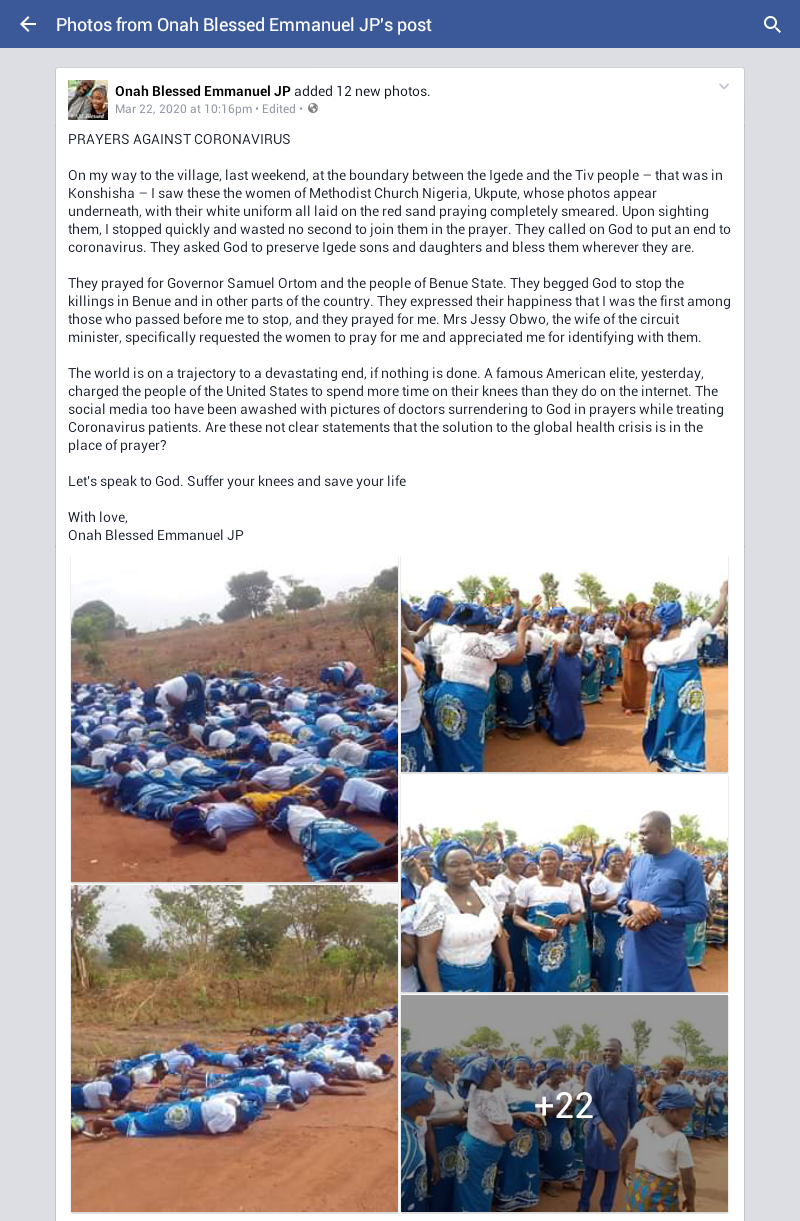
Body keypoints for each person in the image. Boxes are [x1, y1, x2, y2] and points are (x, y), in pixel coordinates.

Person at [431, 606, 530, 772]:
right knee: (469, 749)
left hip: (444, 695)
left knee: (450, 746)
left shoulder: (451, 639)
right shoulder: (483, 641)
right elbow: (518, 657)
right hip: (467, 698)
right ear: (485, 627)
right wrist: (521, 631)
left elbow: (439, 671)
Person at [642, 582, 728, 772]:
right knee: (690, 726)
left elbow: (650, 678)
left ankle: (665, 764)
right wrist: (723, 593)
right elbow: (717, 615)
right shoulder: (692, 634)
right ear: (679, 618)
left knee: (666, 724)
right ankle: (690, 766)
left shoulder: (652, 648)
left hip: (666, 693)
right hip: (690, 692)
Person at [618, 812, 707, 992]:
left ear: (662, 833)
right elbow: (621, 898)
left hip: (666, 952)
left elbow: (699, 911)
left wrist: (658, 913)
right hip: (635, 949)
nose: (640, 838)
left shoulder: (689, 865)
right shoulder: (637, 863)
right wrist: (632, 905)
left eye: (644, 833)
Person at [414, 842, 513, 992]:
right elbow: (426, 953)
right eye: (454, 865)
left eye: (468, 863)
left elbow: (500, 934)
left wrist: (508, 969)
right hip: (451, 980)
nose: (463, 869)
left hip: (486, 975)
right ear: (442, 869)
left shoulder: (486, 895)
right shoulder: (435, 901)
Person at [513, 844, 586, 992]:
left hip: (561, 943)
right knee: (538, 979)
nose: (547, 862)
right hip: (536, 942)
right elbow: (516, 917)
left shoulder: (569, 888)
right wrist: (533, 928)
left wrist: (568, 916)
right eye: (543, 859)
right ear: (538, 862)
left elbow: (579, 917)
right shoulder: (527, 884)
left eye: (552, 858)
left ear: (559, 860)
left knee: (561, 978)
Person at [578, 1039, 639, 1212]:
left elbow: (633, 1105)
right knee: (590, 1174)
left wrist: (636, 1131)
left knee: (612, 1174)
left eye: (612, 1050)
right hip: (596, 1132)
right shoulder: (594, 1073)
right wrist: (602, 1127)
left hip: (619, 1133)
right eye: (605, 1050)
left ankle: (606, 1209)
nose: (608, 1053)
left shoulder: (629, 1075)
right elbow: (589, 1101)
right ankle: (583, 1207)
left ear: (621, 1052)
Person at [619, 1085, 696, 1211]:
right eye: (685, 1115)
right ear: (671, 1111)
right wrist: (691, 1202)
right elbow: (688, 1181)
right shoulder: (679, 1138)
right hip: (662, 1197)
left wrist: (623, 1174)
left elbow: (624, 1150)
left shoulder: (643, 1123)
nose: (687, 1120)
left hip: (638, 1190)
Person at [453, 1058, 515, 1211]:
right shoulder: (488, 1099)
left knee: (472, 1192)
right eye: (499, 1070)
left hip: (475, 1148)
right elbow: (507, 1135)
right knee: (477, 1196)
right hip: (481, 1153)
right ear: (491, 1074)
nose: (502, 1074)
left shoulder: (481, 1094)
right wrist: (514, 1131)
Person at [418, 1049, 466, 1211]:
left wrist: (462, 1116)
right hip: (437, 1143)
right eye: (446, 1061)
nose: (451, 1064)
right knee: (439, 1182)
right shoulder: (426, 1087)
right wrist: (453, 1119)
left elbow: (456, 1108)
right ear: (433, 1065)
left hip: (457, 1140)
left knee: (454, 1180)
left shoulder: (450, 1085)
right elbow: (425, 1122)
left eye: (450, 1061)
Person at [495, 1056, 544, 1211]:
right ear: (513, 1070)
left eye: (524, 1068)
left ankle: (522, 1199)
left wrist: (538, 1122)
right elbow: (498, 1114)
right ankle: (506, 1199)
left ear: (530, 1070)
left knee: (527, 1167)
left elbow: (541, 1113)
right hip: (510, 1134)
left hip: (529, 1137)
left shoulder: (536, 1091)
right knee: (509, 1166)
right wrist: (519, 1116)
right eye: (518, 1068)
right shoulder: (505, 1088)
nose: (521, 1071)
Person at [540, 634, 598, 745]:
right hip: (559, 701)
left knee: (578, 735)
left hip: (573, 700)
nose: (577, 651)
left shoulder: (575, 658)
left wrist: (595, 659)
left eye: (578, 649)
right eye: (575, 648)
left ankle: (558, 724)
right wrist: (551, 664)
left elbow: (586, 671)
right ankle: (542, 721)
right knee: (560, 740)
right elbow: (544, 677)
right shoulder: (556, 656)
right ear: (567, 644)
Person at [489, 846, 530, 992]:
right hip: (510, 927)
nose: (520, 862)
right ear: (506, 861)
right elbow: (502, 908)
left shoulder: (525, 880)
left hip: (526, 927)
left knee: (526, 964)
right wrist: (526, 905)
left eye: (522, 859)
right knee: (513, 964)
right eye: (516, 859)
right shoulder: (501, 880)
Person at [535, 1061, 578, 1196]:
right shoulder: (543, 1089)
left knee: (567, 1151)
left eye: (562, 1073)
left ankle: (567, 1179)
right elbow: (542, 1111)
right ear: (550, 1073)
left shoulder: (564, 1086)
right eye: (557, 1073)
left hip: (561, 1123)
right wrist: (561, 1107)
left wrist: (566, 1107)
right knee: (550, 1153)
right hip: (547, 1125)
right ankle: (547, 1183)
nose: (560, 1076)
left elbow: (569, 1103)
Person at [590, 846, 627, 993]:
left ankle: (623, 986)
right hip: (607, 924)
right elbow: (594, 905)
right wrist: (615, 901)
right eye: (614, 860)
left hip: (627, 923)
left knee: (625, 955)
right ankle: (608, 987)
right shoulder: (601, 881)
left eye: (621, 860)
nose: (618, 862)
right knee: (611, 957)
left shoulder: (629, 878)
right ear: (607, 863)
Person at [401, 1072, 436, 1211]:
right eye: (431, 1097)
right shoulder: (407, 1144)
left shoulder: (408, 1125)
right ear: (419, 1104)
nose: (434, 1102)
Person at [614, 604, 655, 714]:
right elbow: (619, 633)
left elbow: (655, 632)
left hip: (645, 654)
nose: (643, 614)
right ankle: (628, 706)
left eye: (644, 612)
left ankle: (640, 706)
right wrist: (621, 616)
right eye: (641, 612)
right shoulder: (629, 622)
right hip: (632, 653)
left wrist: (653, 614)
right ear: (635, 613)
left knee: (642, 681)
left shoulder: (648, 623)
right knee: (630, 681)